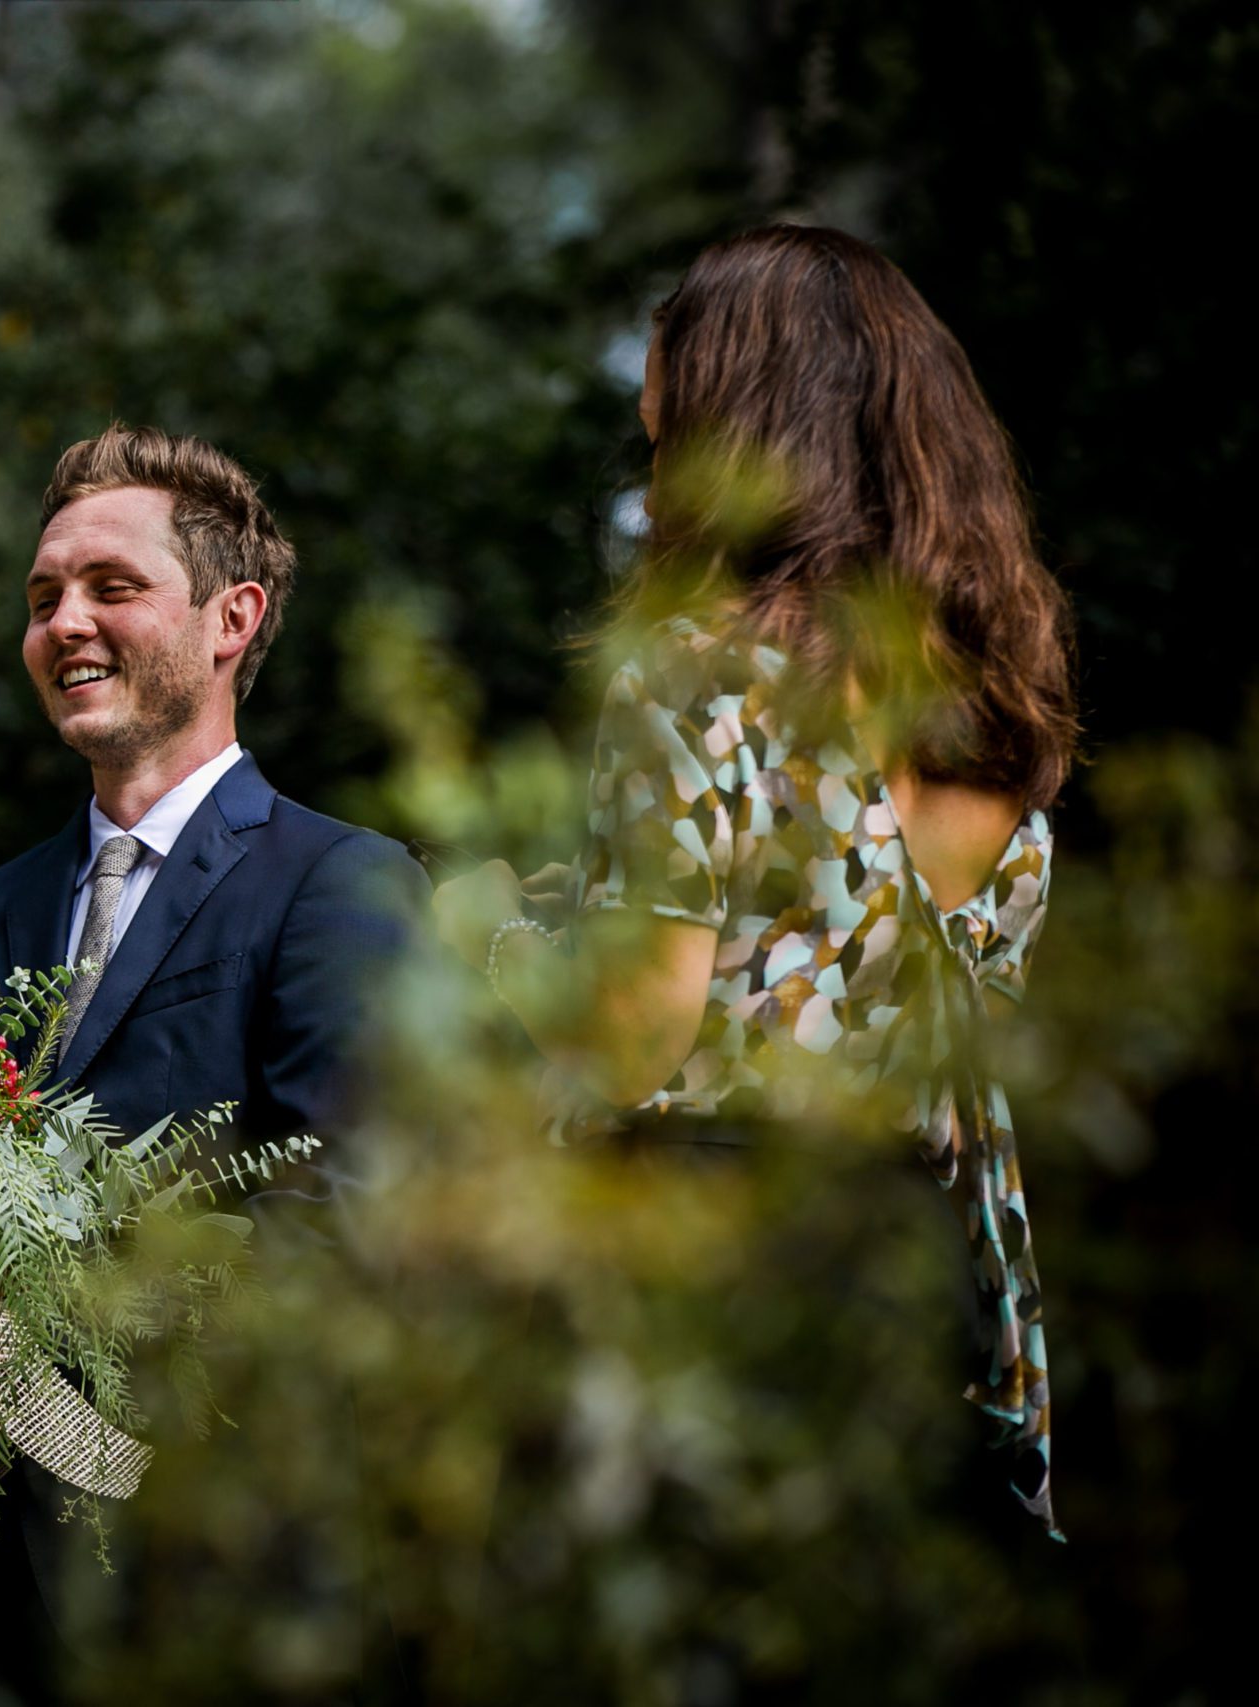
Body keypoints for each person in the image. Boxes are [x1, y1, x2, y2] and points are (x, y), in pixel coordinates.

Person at [431, 225, 1075, 1538]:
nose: (656, 478)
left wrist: (489, 928)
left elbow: (636, 1038)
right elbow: (833, 953)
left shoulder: (692, 670)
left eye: (664, 438)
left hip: (710, 1259)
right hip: (914, 1260)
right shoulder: (980, 710)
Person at [0, 425, 429, 1705]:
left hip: (225, 1570)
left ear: (230, 617)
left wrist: (52, 1399)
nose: (64, 623)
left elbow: (342, 1220)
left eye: (110, 588)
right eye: (42, 600)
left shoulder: (337, 884)